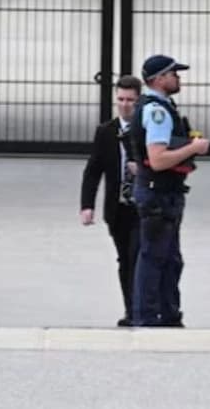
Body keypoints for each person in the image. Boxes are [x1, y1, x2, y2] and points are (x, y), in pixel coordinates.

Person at [129, 54, 210, 327]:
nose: (178, 78)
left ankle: (166, 314)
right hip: (159, 195)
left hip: (162, 193)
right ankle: (150, 316)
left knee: (168, 258)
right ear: (159, 79)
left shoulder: (160, 107)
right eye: (174, 74)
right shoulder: (158, 112)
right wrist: (193, 148)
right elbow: (158, 159)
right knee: (156, 258)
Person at [81, 75, 143, 327]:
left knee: (138, 256)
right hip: (117, 208)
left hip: (142, 206)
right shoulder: (106, 131)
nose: (125, 105)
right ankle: (131, 309)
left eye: (130, 100)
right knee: (125, 260)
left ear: (139, 101)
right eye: (121, 99)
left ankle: (142, 309)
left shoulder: (146, 129)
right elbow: (93, 170)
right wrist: (87, 205)